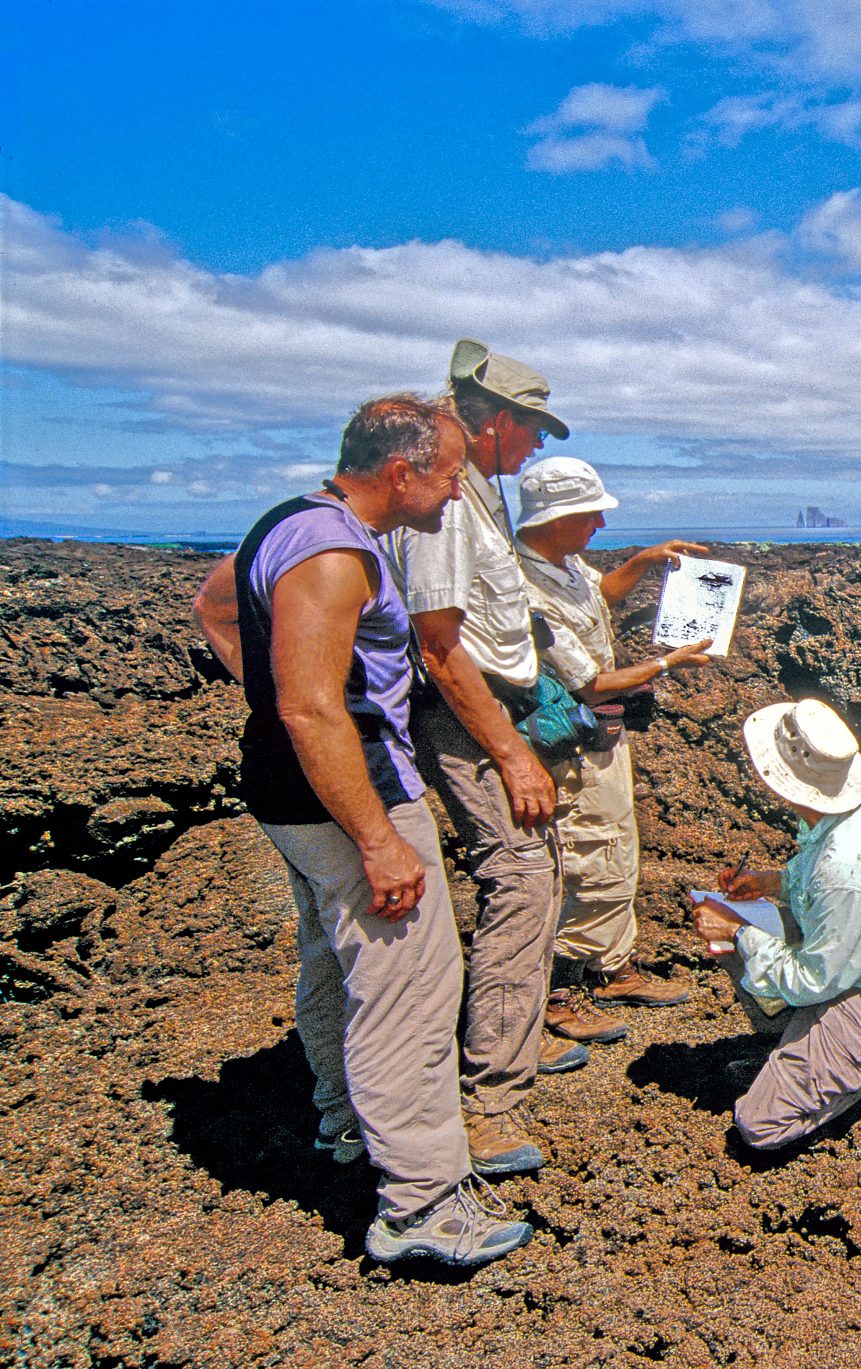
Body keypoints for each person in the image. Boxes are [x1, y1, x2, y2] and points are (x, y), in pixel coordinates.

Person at [190, 394, 531, 1266]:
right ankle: (420, 1205)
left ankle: (345, 1124)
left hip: (287, 796)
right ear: (400, 471)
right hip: (354, 799)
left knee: (333, 957)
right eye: (449, 475)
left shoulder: (285, 523)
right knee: (409, 984)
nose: (457, 493)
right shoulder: (339, 550)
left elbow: (219, 609)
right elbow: (313, 706)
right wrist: (379, 836)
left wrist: (270, 704)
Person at [382, 339, 573, 1179]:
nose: (533, 452)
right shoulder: (448, 500)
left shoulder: (476, 495)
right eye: (531, 433)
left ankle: (518, 1040)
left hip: (494, 710)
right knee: (521, 875)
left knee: (542, 866)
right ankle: (490, 1097)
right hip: (467, 718)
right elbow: (440, 643)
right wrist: (509, 751)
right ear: (497, 422)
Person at [511, 455, 715, 1045]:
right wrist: (667, 663)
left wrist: (643, 564)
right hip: (569, 744)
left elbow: (600, 594)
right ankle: (561, 990)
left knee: (618, 843)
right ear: (557, 518)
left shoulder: (562, 561)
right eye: (591, 516)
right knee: (584, 856)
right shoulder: (523, 588)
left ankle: (612, 969)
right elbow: (589, 682)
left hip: (602, 738)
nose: (599, 526)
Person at [689, 699, 861, 1150]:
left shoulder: (848, 867)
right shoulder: (844, 817)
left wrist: (737, 930)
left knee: (759, 1124)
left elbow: (813, 979)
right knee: (745, 946)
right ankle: (832, 1053)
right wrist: (773, 883)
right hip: (855, 969)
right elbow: (826, 895)